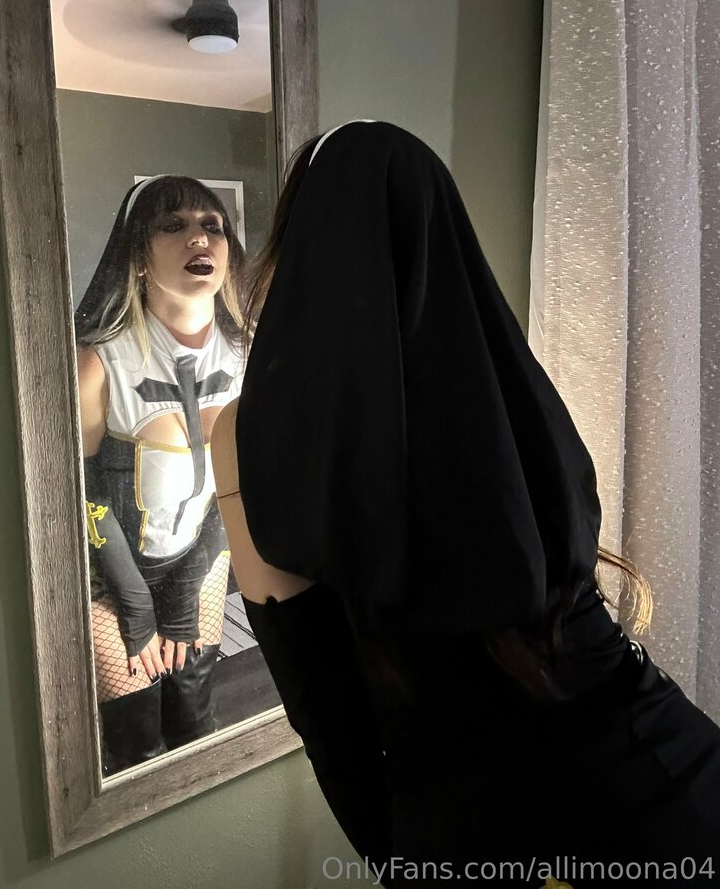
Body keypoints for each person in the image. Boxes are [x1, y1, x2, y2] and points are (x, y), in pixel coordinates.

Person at [211, 121, 720, 888]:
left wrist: (407, 861)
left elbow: (325, 708)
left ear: (298, 255)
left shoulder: (253, 433)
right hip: (668, 774)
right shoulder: (513, 393)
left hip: (473, 825)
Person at [76, 174, 247, 774]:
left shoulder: (248, 352)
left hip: (200, 559)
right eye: (173, 225)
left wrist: (184, 589)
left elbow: (245, 483)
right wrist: (138, 608)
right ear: (139, 255)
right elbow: (81, 491)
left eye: (211, 225)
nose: (199, 237)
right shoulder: (99, 361)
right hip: (109, 576)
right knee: (136, 749)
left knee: (196, 718)